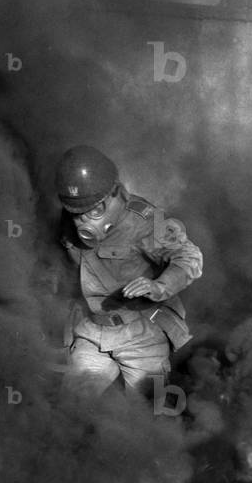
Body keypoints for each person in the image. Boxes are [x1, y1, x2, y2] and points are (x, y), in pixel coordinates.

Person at [55, 145, 203, 400]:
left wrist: (160, 286)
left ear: (114, 193)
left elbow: (189, 257)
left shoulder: (146, 220)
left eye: (95, 211)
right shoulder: (69, 218)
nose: (84, 222)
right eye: (77, 214)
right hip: (90, 331)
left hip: (140, 335)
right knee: (72, 408)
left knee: (147, 416)